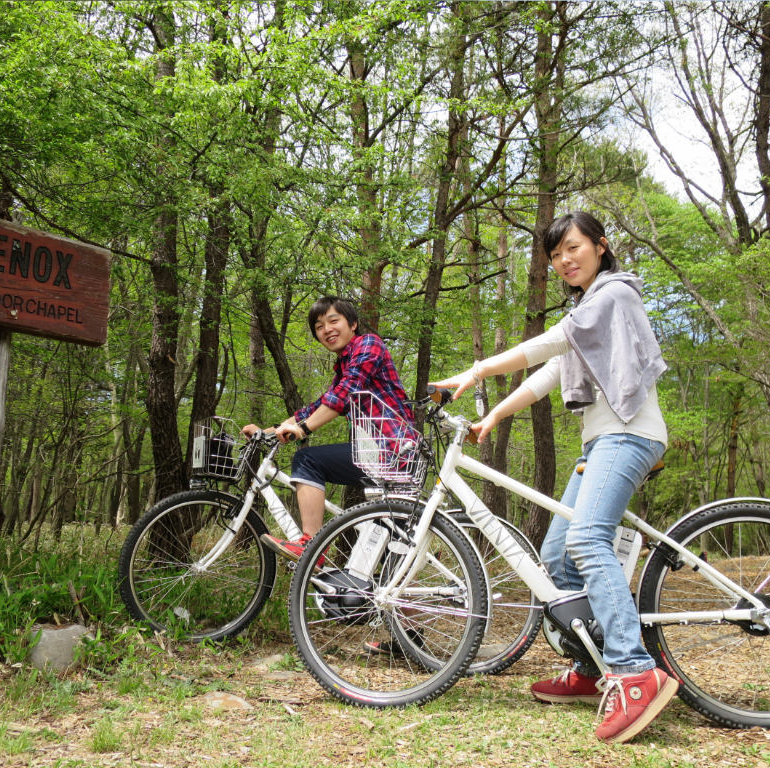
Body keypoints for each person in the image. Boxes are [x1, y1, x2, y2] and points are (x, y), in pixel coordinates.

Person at [431, 211, 677, 744]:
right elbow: (550, 371)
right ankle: (592, 669)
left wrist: (477, 369)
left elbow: (547, 344)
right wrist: (495, 414)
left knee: (589, 541)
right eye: (555, 254)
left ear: (601, 246)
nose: (564, 260)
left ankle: (634, 671)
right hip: (600, 443)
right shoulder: (590, 310)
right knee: (559, 554)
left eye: (572, 248)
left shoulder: (614, 295)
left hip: (629, 435)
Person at [242, 295, 413, 561]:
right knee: (380, 569)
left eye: (334, 321)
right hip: (377, 455)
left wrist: (304, 429)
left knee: (308, 460)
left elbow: (344, 394)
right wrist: (270, 430)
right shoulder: (343, 366)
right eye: (319, 326)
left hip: (393, 450)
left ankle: (311, 545)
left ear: (353, 323)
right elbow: (320, 405)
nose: (327, 330)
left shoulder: (370, 344)